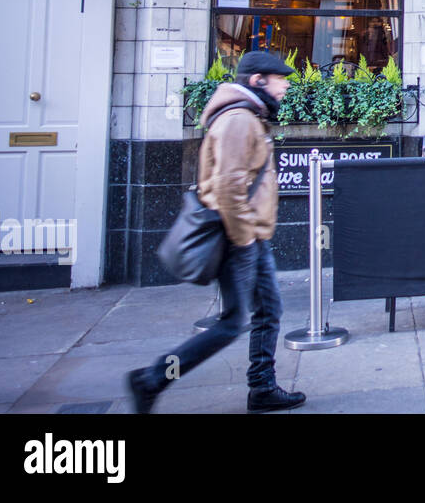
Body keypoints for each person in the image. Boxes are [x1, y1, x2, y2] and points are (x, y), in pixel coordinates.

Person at [126, 50, 306, 414]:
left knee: (268, 311)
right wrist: (245, 239)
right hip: (240, 237)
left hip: (249, 235)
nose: (286, 86)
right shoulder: (239, 119)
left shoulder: (249, 116)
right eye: (280, 78)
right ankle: (151, 380)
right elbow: (227, 186)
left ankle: (262, 387)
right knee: (232, 323)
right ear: (258, 80)